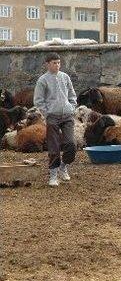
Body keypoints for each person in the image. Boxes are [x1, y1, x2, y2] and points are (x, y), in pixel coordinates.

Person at [33, 52, 77, 187]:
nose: (57, 65)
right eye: (54, 63)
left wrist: (72, 107)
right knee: (54, 147)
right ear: (47, 64)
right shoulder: (43, 80)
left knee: (71, 144)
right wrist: (47, 113)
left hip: (67, 115)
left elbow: (72, 94)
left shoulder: (65, 77)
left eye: (58, 63)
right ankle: (53, 175)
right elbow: (38, 100)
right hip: (52, 117)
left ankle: (63, 166)